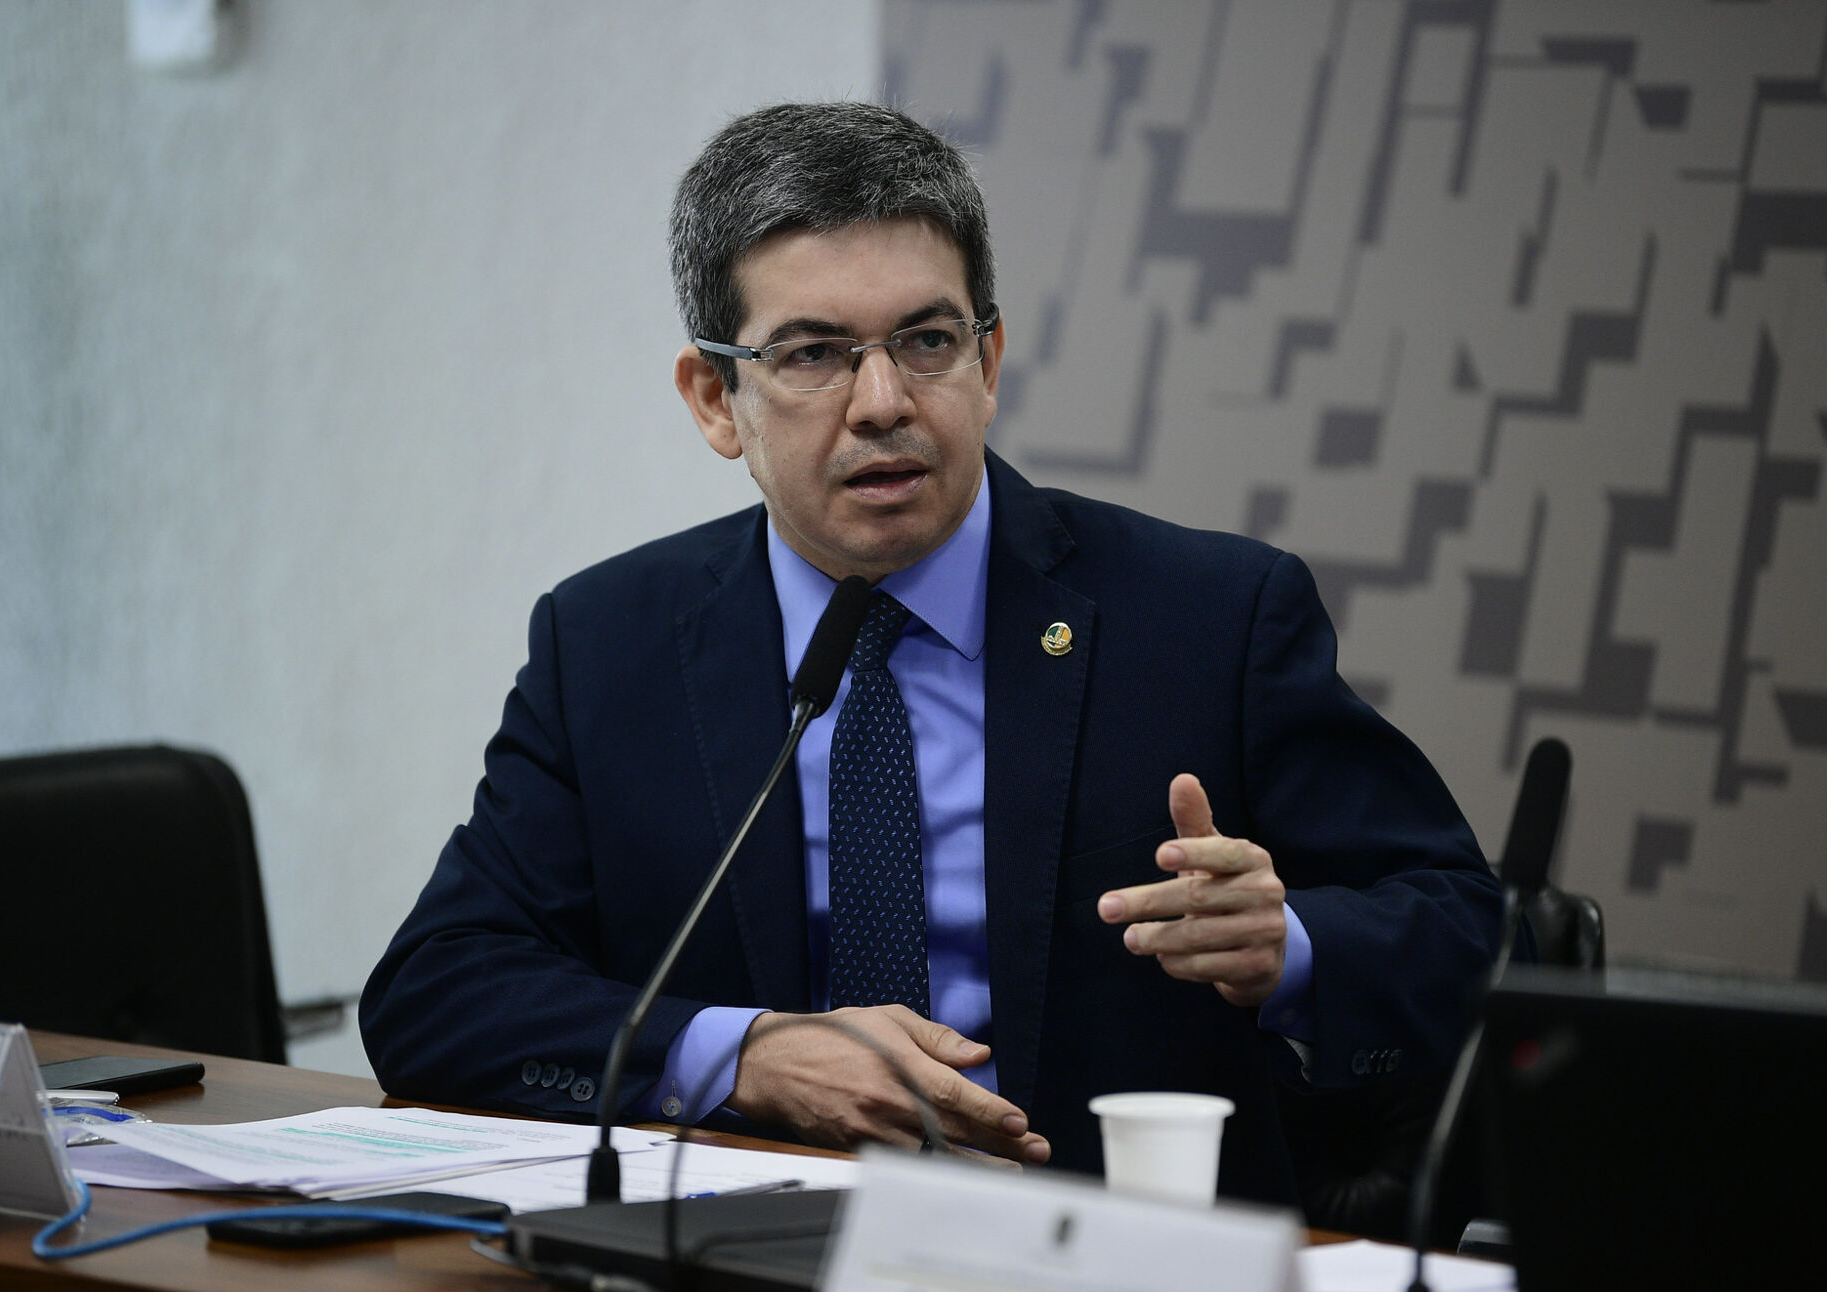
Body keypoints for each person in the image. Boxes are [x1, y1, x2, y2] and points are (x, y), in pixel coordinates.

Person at [360, 102, 1503, 1206]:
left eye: (926, 339)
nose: (881, 401)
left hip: (1107, 1269)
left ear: (988, 356)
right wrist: (744, 1055)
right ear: (715, 397)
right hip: (735, 1257)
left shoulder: (1207, 618)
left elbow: (1468, 928)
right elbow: (437, 990)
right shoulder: (609, 642)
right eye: (812, 353)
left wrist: (1288, 942)